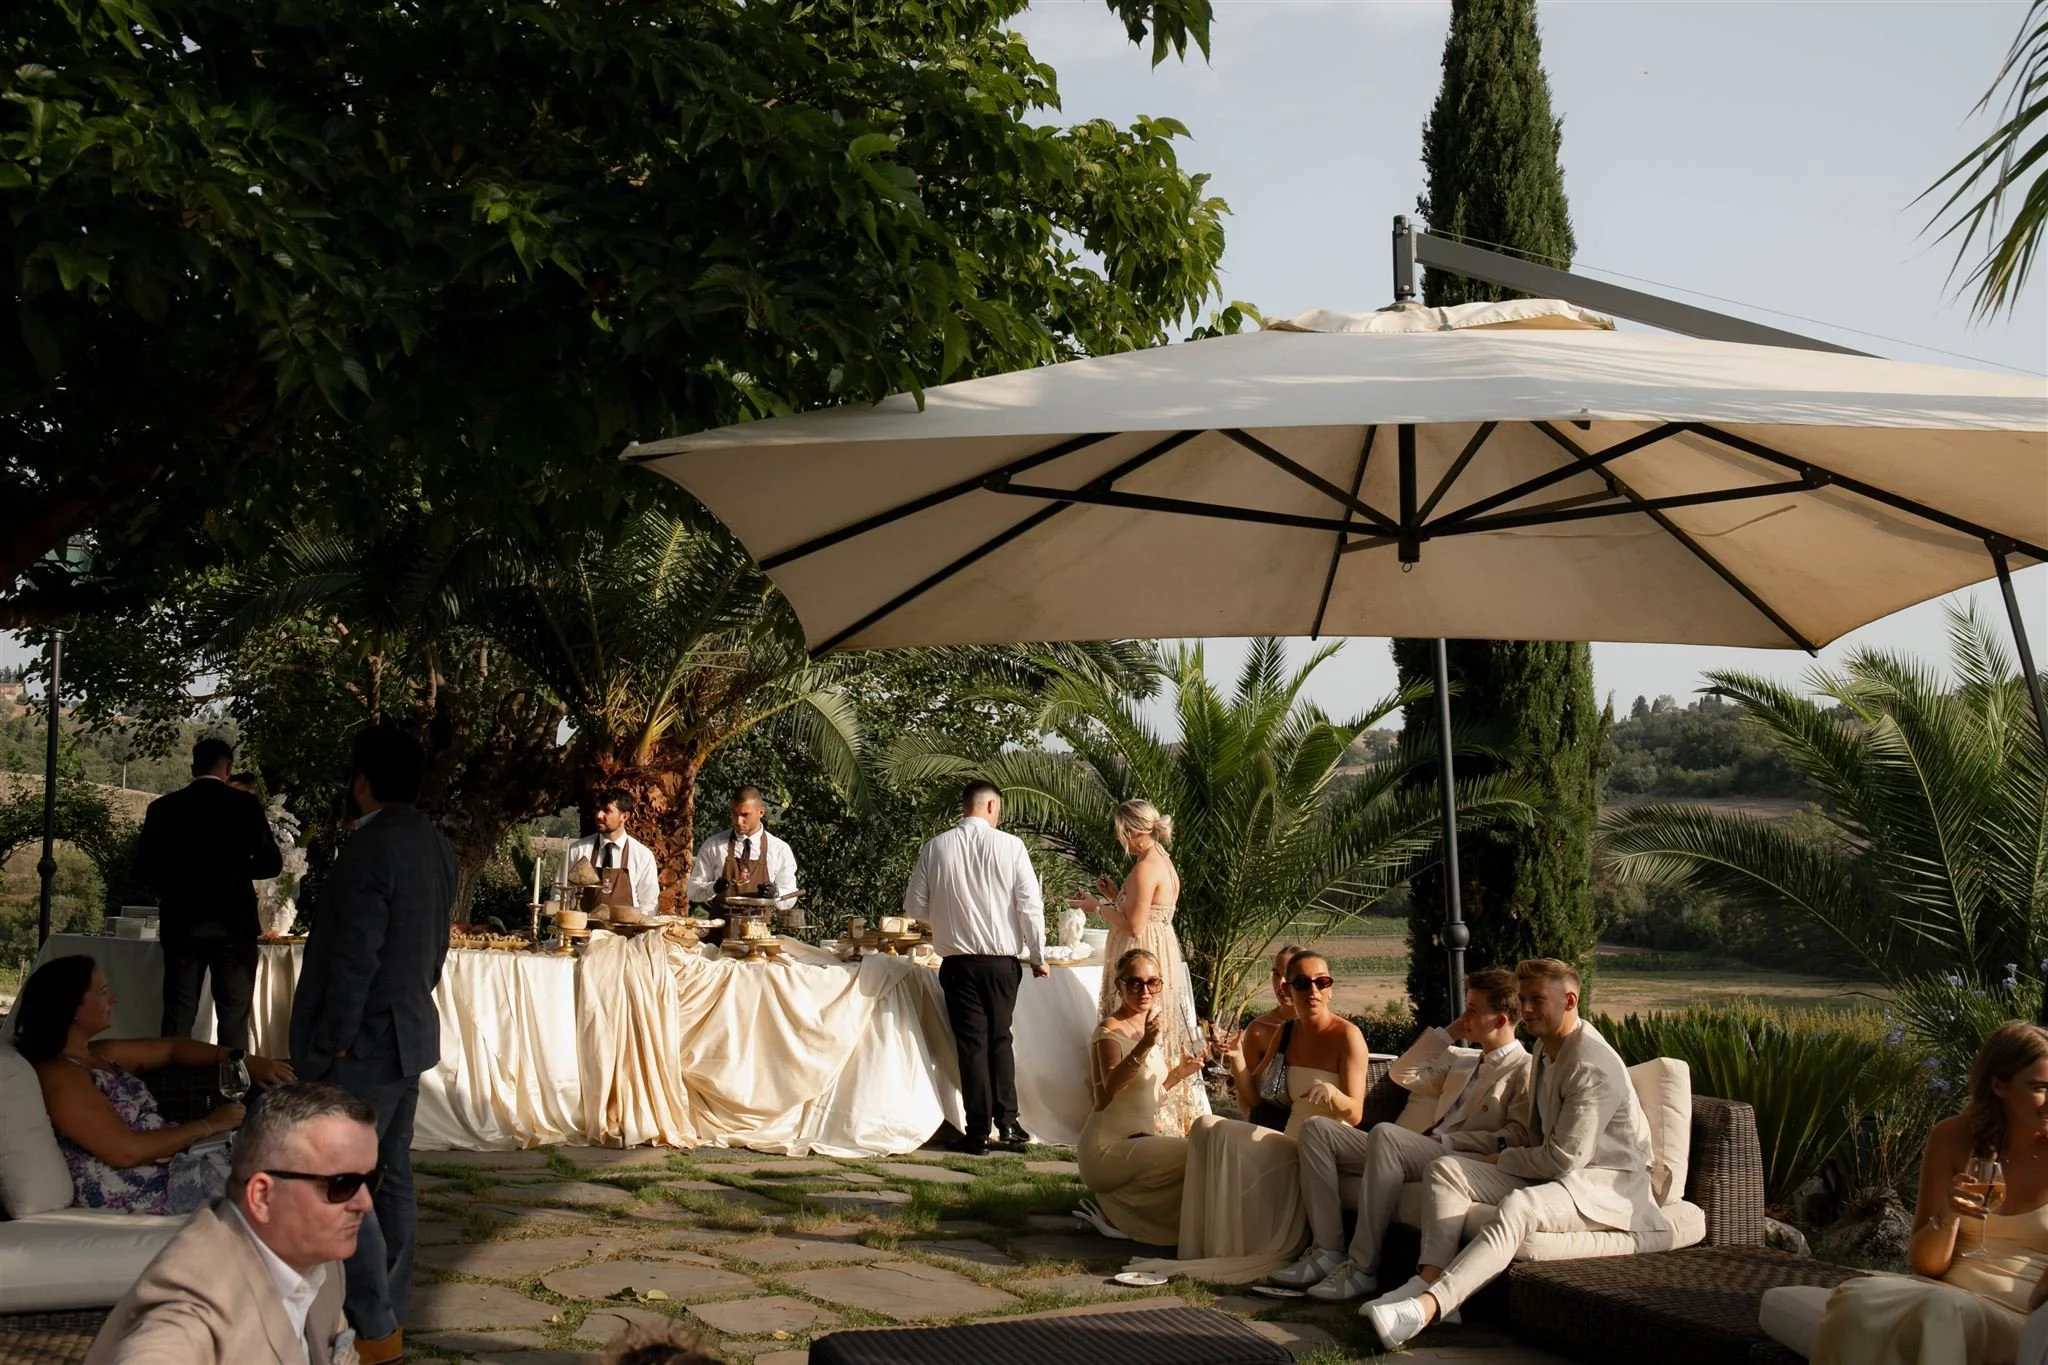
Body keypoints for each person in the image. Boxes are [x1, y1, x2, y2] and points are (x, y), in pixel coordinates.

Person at [1366, 957, 1668, 1349]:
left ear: (1570, 1000)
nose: (1525, 1010)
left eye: (1537, 1000)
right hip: (1560, 1175)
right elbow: (1538, 1138)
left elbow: (1564, 1159)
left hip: (1604, 1187)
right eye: (1523, 999)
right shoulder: (1545, 1047)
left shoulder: (1592, 1065)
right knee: (1446, 1170)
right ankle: (1429, 1277)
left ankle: (1424, 1308)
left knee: (1520, 1207)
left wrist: (1501, 1160)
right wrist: (1490, 1157)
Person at [290, 726, 457, 1365]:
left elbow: (355, 957)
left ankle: (375, 1329)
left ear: (361, 781)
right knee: (392, 1181)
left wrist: (332, 1040)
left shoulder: (368, 849)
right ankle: (390, 1319)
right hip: (410, 1031)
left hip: (362, 1042)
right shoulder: (438, 846)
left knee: (343, 1182)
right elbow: (434, 948)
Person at [1760, 1020, 2048, 1365]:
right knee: (1857, 1298)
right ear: (1999, 1085)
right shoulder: (1953, 1138)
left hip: (2018, 1314)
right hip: (1945, 1293)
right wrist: (1949, 1215)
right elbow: (1925, 1265)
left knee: (1938, 1311)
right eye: (2040, 1087)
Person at [1274, 965, 1533, 1302]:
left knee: (1385, 1134)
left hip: (1460, 1157)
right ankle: (1327, 1251)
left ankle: (1362, 1267)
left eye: (1473, 1009)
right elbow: (1402, 1072)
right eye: (1465, 1006)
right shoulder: (1465, 1062)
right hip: (1420, 1148)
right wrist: (1451, 1031)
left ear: (1500, 1020)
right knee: (1317, 1130)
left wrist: (1449, 1141)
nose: (1465, 1014)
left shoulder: (1522, 1069)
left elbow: (1515, 1134)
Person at [84, 1082, 379, 1365]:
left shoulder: (318, 1257)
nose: (365, 1203)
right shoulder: (189, 1315)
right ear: (263, 1196)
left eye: (370, 1180)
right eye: (343, 1184)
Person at [1127, 950, 1372, 1284]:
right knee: (1206, 1126)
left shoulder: (1348, 1036)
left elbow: (1356, 1113)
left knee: (1228, 1135)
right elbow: (1254, 1096)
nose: (1312, 990)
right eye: (1302, 983)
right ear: (1289, 989)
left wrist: (1333, 1095)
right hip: (1288, 1141)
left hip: (1323, 1149)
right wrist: (1236, 1058)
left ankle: (1251, 1245)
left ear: (1330, 989)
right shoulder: (1287, 1032)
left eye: (1321, 982)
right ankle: (1202, 1246)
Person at [12, 955, 292, 1214]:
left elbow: (171, 1048)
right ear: (72, 1006)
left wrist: (238, 1059)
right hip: (137, 1185)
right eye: (103, 992)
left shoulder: (96, 1054)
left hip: (169, 1164)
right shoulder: (61, 1076)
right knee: (280, 1186)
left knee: (286, 1162)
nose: (115, 999)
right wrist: (210, 1125)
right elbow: (125, 1151)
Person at [905, 779, 1048, 1155]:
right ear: (989, 807)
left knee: (972, 1046)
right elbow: (1029, 906)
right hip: (1001, 963)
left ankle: (977, 1131)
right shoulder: (1011, 846)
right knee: (1000, 1040)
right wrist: (1038, 953)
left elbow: (915, 907)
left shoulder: (936, 847)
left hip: (957, 962)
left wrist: (951, 918)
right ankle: (1009, 1123)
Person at [133, 736, 284, 1048]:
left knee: (178, 1012)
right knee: (233, 1014)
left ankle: (174, 1086)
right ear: (228, 768)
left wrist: (173, 888)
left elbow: (142, 870)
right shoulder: (245, 806)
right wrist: (238, 872)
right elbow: (271, 864)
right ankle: (232, 1086)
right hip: (233, 924)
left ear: (192, 766)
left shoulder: (163, 808)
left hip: (181, 923)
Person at [1069, 799, 1208, 1134]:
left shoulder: (1147, 866)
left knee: (1135, 1022)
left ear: (1131, 831)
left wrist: (1096, 907)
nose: (1122, 841)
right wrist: (1116, 894)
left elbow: (1133, 923)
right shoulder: (1161, 859)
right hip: (1157, 943)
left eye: (1122, 834)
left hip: (1141, 948)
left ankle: (1139, 1103)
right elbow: (1142, 908)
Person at [1076, 948, 1213, 1244]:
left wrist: (1180, 1072)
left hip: (1137, 1141)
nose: (1145, 990)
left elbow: (1147, 1095)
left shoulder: (1146, 1026)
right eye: (1135, 982)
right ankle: (1126, 1215)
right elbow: (1108, 1093)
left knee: (1198, 1155)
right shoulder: (1108, 1031)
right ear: (1119, 985)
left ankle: (1127, 1211)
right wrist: (1144, 1046)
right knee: (1194, 1154)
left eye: (1153, 982)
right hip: (1105, 1148)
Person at [685, 785, 801, 934]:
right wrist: (713, 887)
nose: (738, 821)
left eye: (745, 815)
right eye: (734, 814)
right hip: (718, 937)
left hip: (758, 937)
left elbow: (790, 898)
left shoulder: (779, 850)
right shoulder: (713, 846)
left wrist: (776, 893)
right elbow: (692, 891)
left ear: (761, 812)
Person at [563, 788, 663, 919]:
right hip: (583, 935)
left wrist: (638, 928)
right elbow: (561, 894)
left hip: (626, 937)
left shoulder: (642, 856)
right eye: (598, 810)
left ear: (624, 817)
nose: (598, 815)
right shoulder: (577, 850)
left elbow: (649, 904)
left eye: (607, 811)